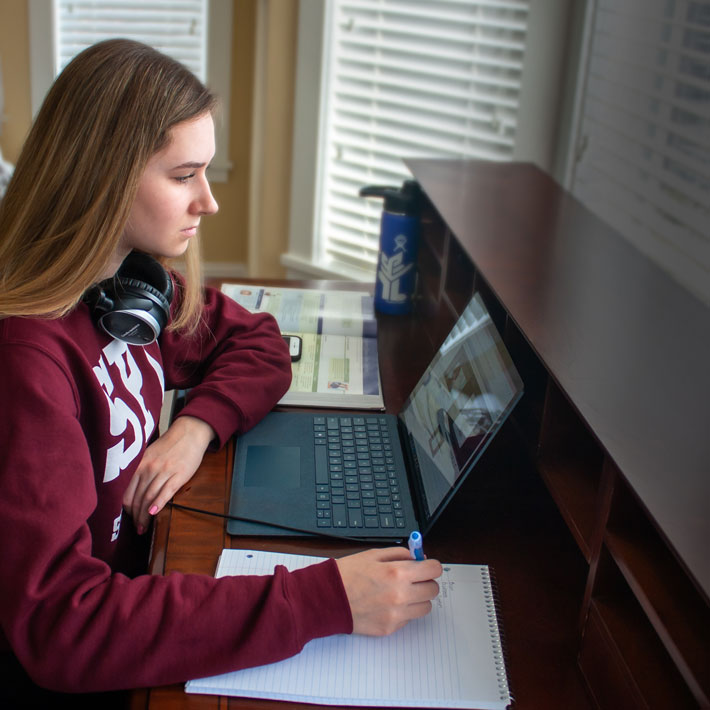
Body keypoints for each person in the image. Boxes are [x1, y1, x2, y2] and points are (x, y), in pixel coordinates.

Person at [0, 39, 442, 706]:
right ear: (102, 177)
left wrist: (194, 429)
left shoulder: (128, 289)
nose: (208, 202)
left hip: (138, 583)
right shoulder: (27, 365)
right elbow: (64, 627)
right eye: (184, 176)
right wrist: (321, 599)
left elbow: (261, 343)